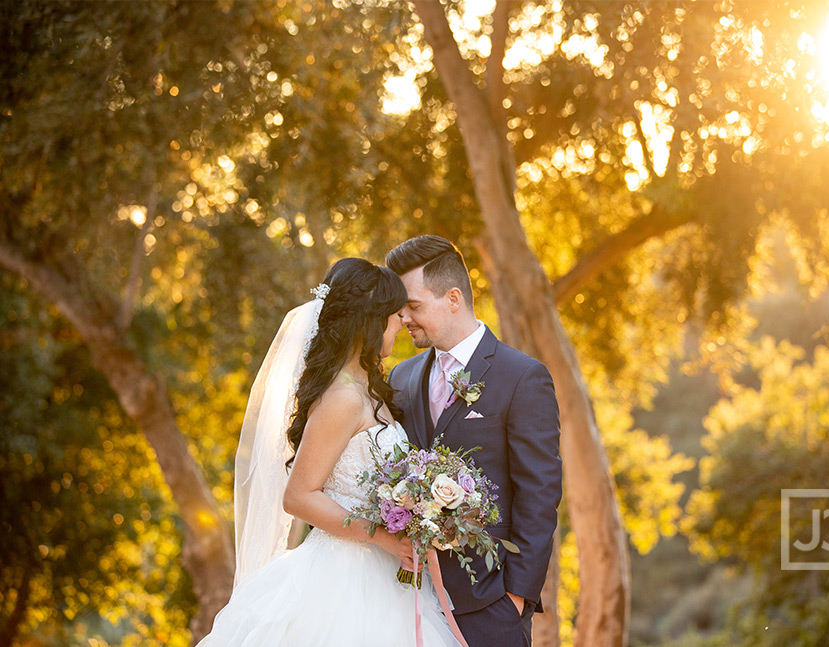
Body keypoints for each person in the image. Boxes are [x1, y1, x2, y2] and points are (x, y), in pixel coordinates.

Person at [198, 258, 461, 647]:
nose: (401, 323)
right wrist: (383, 537)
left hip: (387, 576)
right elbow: (299, 495)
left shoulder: (369, 389)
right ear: (371, 322)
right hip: (343, 577)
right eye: (393, 315)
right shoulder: (342, 397)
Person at [386, 236, 562, 647]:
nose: (404, 317)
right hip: (407, 599)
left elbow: (539, 494)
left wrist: (516, 597)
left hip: (490, 602)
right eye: (400, 308)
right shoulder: (402, 378)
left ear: (452, 298)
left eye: (413, 306)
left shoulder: (521, 377)